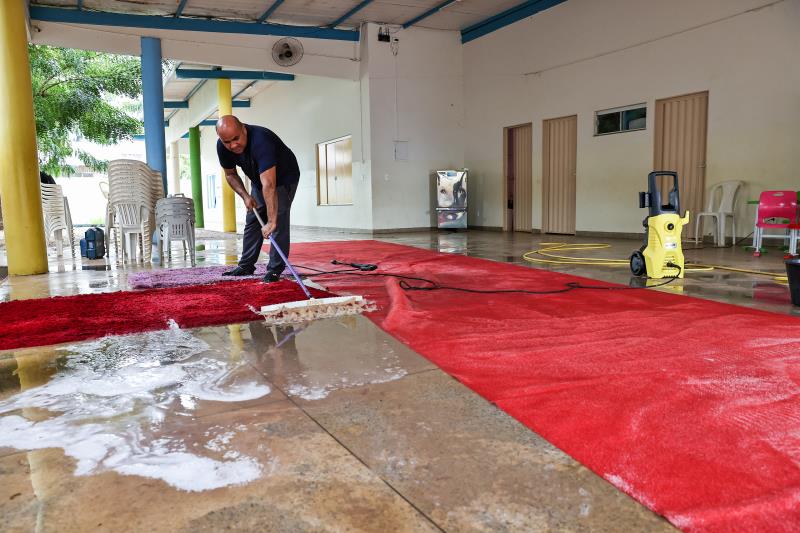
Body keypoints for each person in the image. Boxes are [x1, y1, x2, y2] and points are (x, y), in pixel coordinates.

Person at [215, 115, 300, 282]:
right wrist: (246, 196)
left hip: (284, 178)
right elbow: (230, 174)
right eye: (227, 142)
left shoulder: (262, 140)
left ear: (244, 129)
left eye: (236, 139)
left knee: (278, 219)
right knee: (253, 218)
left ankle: (275, 269)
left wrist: (272, 221)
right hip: (258, 180)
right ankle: (246, 265)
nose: (232, 145)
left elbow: (269, 184)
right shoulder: (222, 146)